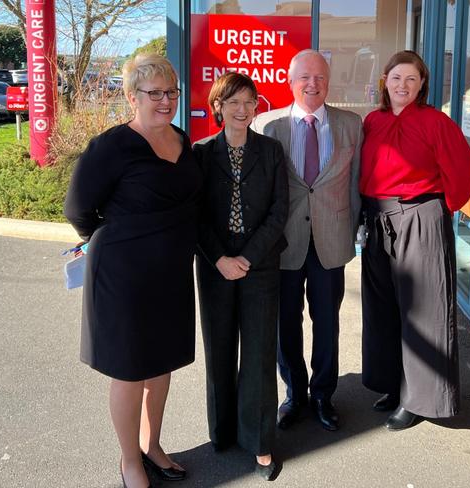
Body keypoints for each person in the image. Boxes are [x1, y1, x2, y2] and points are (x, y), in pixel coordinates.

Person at [64, 54, 201, 488]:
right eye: (154, 93)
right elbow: (78, 210)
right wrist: (122, 240)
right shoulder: (111, 146)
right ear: (130, 97)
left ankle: (153, 445)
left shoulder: (182, 139)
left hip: (172, 273)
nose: (165, 101)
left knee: (161, 365)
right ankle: (129, 461)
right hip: (123, 275)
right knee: (129, 369)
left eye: (172, 93)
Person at [359, 50, 470, 431]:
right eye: (396, 78)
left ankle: (419, 399)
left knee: (422, 313)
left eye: (411, 79)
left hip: (420, 218)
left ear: (422, 84)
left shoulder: (435, 122)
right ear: (385, 81)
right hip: (378, 220)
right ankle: (393, 385)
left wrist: (440, 211)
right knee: (383, 309)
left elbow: (461, 170)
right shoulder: (372, 121)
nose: (402, 86)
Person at [253, 49, 362, 432]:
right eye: (304, 77)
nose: (312, 84)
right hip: (282, 243)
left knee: (327, 321)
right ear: (289, 81)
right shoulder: (267, 125)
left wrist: (354, 232)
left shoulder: (351, 124)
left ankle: (323, 395)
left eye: (319, 77)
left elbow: (355, 185)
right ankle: (294, 393)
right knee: (286, 322)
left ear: (328, 82)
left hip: (331, 240)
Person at [193, 72, 289, 481]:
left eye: (249, 101)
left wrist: (246, 258)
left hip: (260, 266)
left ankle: (261, 442)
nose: (242, 109)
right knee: (219, 351)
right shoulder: (199, 153)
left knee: (259, 354)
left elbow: (279, 210)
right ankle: (224, 432)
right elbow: (194, 212)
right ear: (218, 106)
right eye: (233, 101)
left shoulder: (270, 150)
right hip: (215, 267)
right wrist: (220, 258)